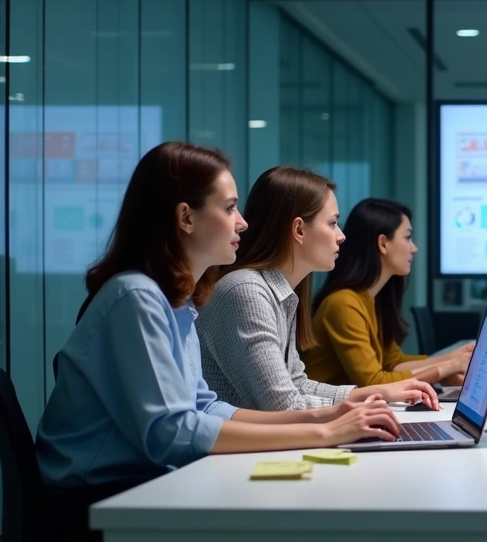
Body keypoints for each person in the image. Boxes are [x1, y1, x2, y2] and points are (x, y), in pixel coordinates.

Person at [35, 143, 416, 540]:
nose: (243, 223)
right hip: (95, 501)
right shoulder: (137, 296)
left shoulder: (175, 300)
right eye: (230, 208)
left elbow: (206, 405)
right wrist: (326, 431)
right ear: (186, 217)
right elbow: (171, 433)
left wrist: (324, 416)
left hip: (141, 483)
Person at [196, 167, 438, 411]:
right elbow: (285, 406)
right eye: (332, 223)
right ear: (299, 230)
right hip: (236, 449)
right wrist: (359, 405)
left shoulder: (278, 292)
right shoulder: (247, 291)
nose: (341, 236)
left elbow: (297, 384)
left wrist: (375, 393)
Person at [304, 198, 474, 387]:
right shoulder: (343, 303)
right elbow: (373, 381)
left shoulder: (372, 299)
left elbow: (393, 364)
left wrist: (454, 358)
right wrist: (444, 369)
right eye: (408, 237)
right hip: (326, 413)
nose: (414, 248)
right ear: (383, 244)